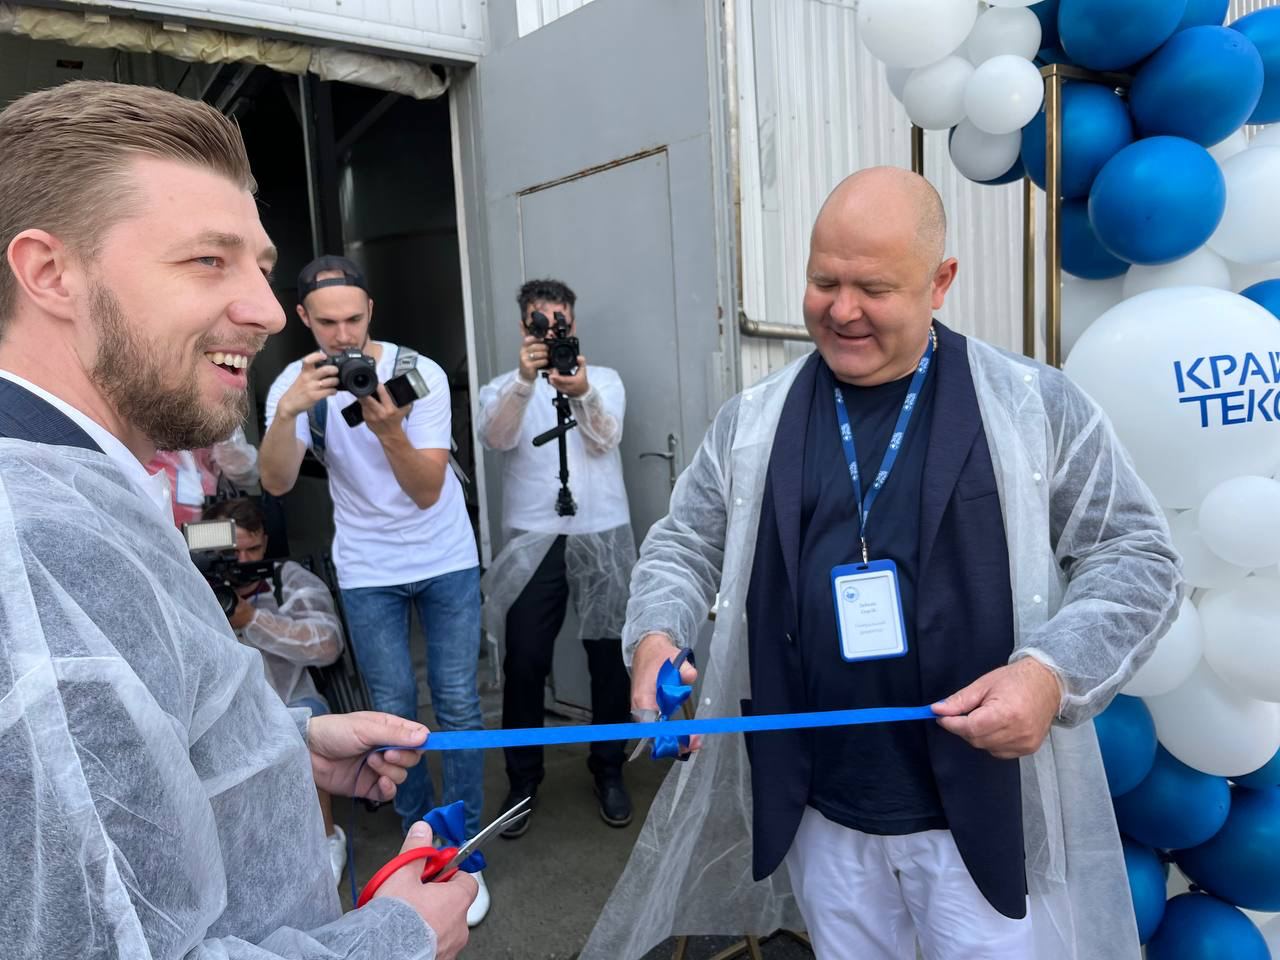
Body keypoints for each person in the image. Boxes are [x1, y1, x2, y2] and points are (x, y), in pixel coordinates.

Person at [584, 168, 1182, 960]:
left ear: (941, 283)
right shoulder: (754, 420)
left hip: (982, 815)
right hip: (822, 811)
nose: (842, 311)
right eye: (823, 282)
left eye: (873, 288)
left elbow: (1137, 556)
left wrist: (1050, 675)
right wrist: (657, 633)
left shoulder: (1030, 406)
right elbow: (685, 542)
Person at [0, 80, 474, 959]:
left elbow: (114, 772)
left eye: (258, 264)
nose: (264, 310)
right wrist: (398, 939)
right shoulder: (35, 551)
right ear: (50, 274)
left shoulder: (82, 488)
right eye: (209, 261)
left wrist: (279, 745)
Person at [258, 255, 490, 924]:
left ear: (371, 312)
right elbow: (274, 483)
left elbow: (426, 491)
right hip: (366, 568)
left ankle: (463, 848)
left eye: (354, 320)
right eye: (327, 323)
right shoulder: (294, 387)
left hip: (445, 557)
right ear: (303, 318)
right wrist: (288, 414)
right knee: (391, 711)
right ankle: (417, 842)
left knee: (458, 704)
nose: (343, 336)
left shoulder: (421, 375)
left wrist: (388, 428)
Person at [477, 279, 637, 834]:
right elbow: (495, 439)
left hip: (601, 531)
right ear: (524, 327)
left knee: (609, 657)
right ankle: (522, 782)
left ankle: (610, 769)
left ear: (573, 322)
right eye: (539, 323)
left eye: (560, 321)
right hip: (533, 537)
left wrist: (583, 391)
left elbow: (605, 438)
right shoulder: (501, 388)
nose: (550, 332)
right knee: (524, 662)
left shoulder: (605, 380)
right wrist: (525, 382)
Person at [202, 496, 349, 884]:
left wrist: (252, 619)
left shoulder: (287, 580)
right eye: (231, 551)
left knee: (307, 730)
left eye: (253, 549)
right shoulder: (193, 585)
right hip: (221, 708)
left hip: (290, 698)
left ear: (266, 541)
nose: (243, 561)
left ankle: (327, 837)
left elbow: (327, 643)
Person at [149, 425, 261, 527]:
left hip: (204, 526)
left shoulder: (208, 416)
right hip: (153, 520)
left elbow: (246, 474)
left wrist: (225, 434)